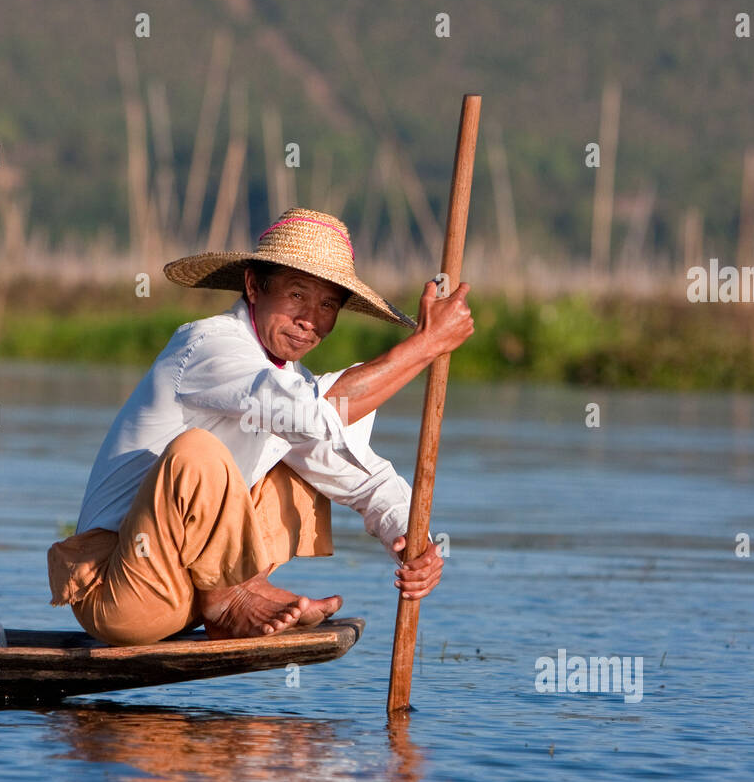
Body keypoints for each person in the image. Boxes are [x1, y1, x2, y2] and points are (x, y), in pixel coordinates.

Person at [48, 207, 473, 645]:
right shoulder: (208, 345)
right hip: (124, 591)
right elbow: (309, 413)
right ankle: (230, 600)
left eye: (328, 304)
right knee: (198, 451)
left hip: (189, 591)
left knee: (305, 459)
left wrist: (413, 538)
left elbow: (362, 476)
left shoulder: (292, 383)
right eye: (296, 295)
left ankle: (234, 593)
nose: (310, 319)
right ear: (253, 286)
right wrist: (427, 345)